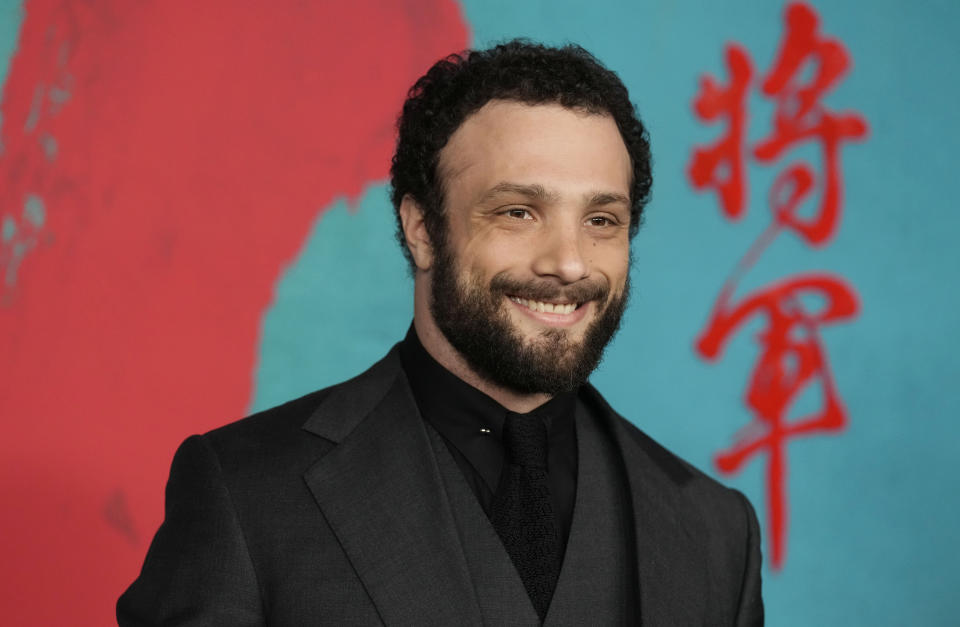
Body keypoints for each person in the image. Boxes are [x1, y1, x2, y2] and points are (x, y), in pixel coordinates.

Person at [118, 40, 763, 626]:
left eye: (601, 219)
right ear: (422, 228)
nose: (568, 262)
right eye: (519, 211)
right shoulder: (246, 497)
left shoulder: (715, 533)